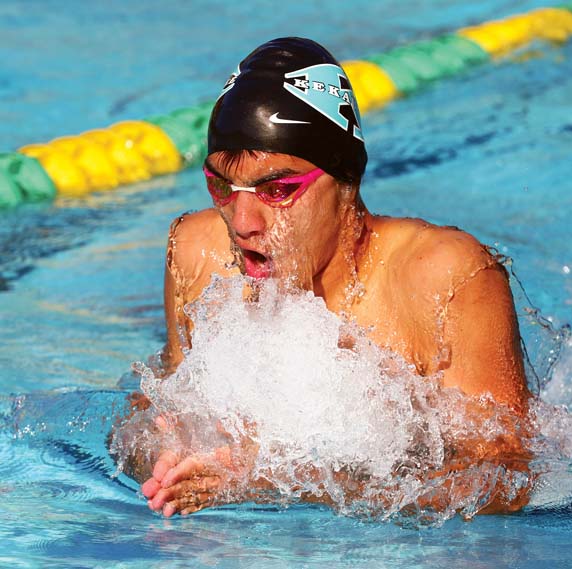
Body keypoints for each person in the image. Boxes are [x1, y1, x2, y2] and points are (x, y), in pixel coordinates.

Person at [126, 37, 531, 518]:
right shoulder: (196, 252)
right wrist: (161, 455)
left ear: (345, 180)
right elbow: (155, 403)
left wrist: (274, 484)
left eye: (277, 189)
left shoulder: (445, 280)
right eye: (221, 186)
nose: (242, 222)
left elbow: (505, 480)